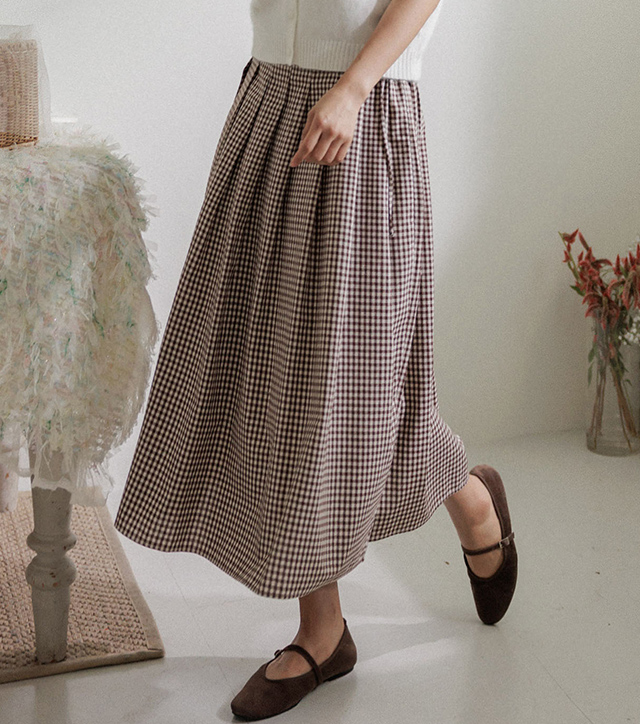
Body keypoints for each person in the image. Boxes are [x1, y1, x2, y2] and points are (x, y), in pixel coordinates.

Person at [113, 0, 518, 720]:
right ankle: (331, 623)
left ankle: (457, 502)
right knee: (280, 369)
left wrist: (354, 87)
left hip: (361, 111)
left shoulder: (362, 96)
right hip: (270, 99)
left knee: (348, 383)